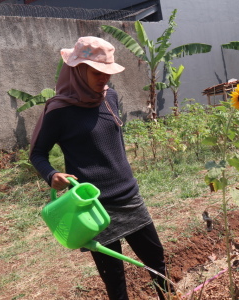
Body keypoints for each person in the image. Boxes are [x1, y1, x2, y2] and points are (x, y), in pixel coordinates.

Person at [30, 36, 173, 300]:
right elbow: (37, 154)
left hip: (129, 196)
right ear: (78, 70)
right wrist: (52, 175)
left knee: (157, 261)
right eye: (96, 73)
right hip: (93, 208)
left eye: (107, 73)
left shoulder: (110, 97)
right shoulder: (59, 111)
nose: (103, 79)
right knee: (114, 279)